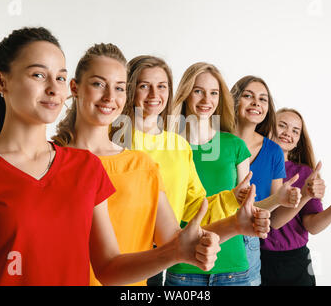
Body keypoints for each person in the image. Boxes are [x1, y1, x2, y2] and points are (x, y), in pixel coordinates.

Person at [0, 28, 220, 286]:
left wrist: (175, 253)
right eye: (38, 75)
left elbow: (109, 268)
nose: (53, 88)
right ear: (1, 80)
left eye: (60, 77)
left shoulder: (86, 167)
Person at [52, 44, 271, 286]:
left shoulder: (147, 162)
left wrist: (234, 220)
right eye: (144, 86)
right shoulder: (55, 158)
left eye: (118, 88)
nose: (109, 96)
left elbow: (182, 229)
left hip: (144, 267)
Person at [113, 56, 271, 285]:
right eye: (144, 86)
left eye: (162, 87)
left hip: (158, 259)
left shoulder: (178, 147)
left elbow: (193, 208)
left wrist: (230, 199)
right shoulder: (114, 138)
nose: (154, 95)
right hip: (117, 253)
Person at [165, 63, 300, 286]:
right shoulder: (169, 145)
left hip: (233, 270)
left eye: (214, 93)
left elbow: (246, 212)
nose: (206, 99)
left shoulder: (234, 146)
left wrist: (278, 199)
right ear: (186, 93)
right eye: (198, 91)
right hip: (183, 267)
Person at [260, 108, 331, 286]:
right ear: (268, 128)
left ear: (298, 141)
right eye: (282, 125)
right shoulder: (251, 166)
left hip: (296, 262)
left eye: (295, 131)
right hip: (257, 261)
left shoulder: (305, 173)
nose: (287, 133)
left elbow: (312, 226)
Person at [230, 75, 302, 285]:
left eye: (263, 99)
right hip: (213, 232)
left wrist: (281, 199)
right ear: (234, 100)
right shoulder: (215, 141)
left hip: (248, 243)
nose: (256, 103)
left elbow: (275, 219)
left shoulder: (273, 152)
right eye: (248, 96)